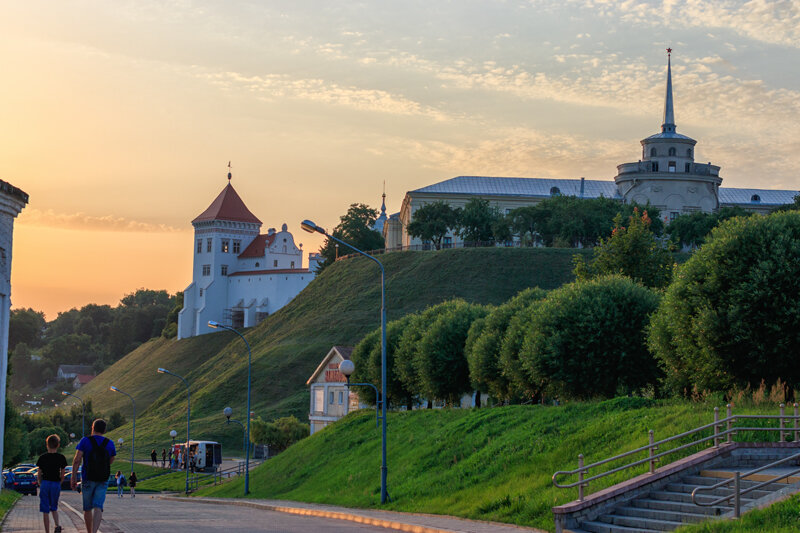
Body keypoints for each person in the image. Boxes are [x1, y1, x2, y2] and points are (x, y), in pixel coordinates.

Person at [71, 419, 116, 533]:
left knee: (87, 508)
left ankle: (89, 532)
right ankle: (95, 531)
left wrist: (73, 477)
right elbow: (111, 460)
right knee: (98, 506)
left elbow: (77, 460)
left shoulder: (85, 441)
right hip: (102, 479)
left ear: (92, 428)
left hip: (87, 478)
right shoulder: (109, 443)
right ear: (104, 430)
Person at [36, 434, 68, 533]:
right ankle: (57, 525)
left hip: (45, 483)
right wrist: (60, 482)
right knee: (54, 506)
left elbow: (39, 473)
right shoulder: (61, 457)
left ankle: (47, 531)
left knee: (45, 509)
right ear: (58, 445)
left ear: (47, 445)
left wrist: (40, 483)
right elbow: (63, 474)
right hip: (55, 484)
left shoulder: (42, 457)